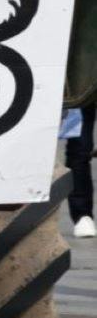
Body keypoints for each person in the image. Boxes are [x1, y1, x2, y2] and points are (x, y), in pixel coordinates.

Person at [62, 102, 96, 238]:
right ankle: (82, 214)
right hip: (75, 91)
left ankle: (83, 214)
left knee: (80, 148)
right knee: (80, 149)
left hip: (81, 89)